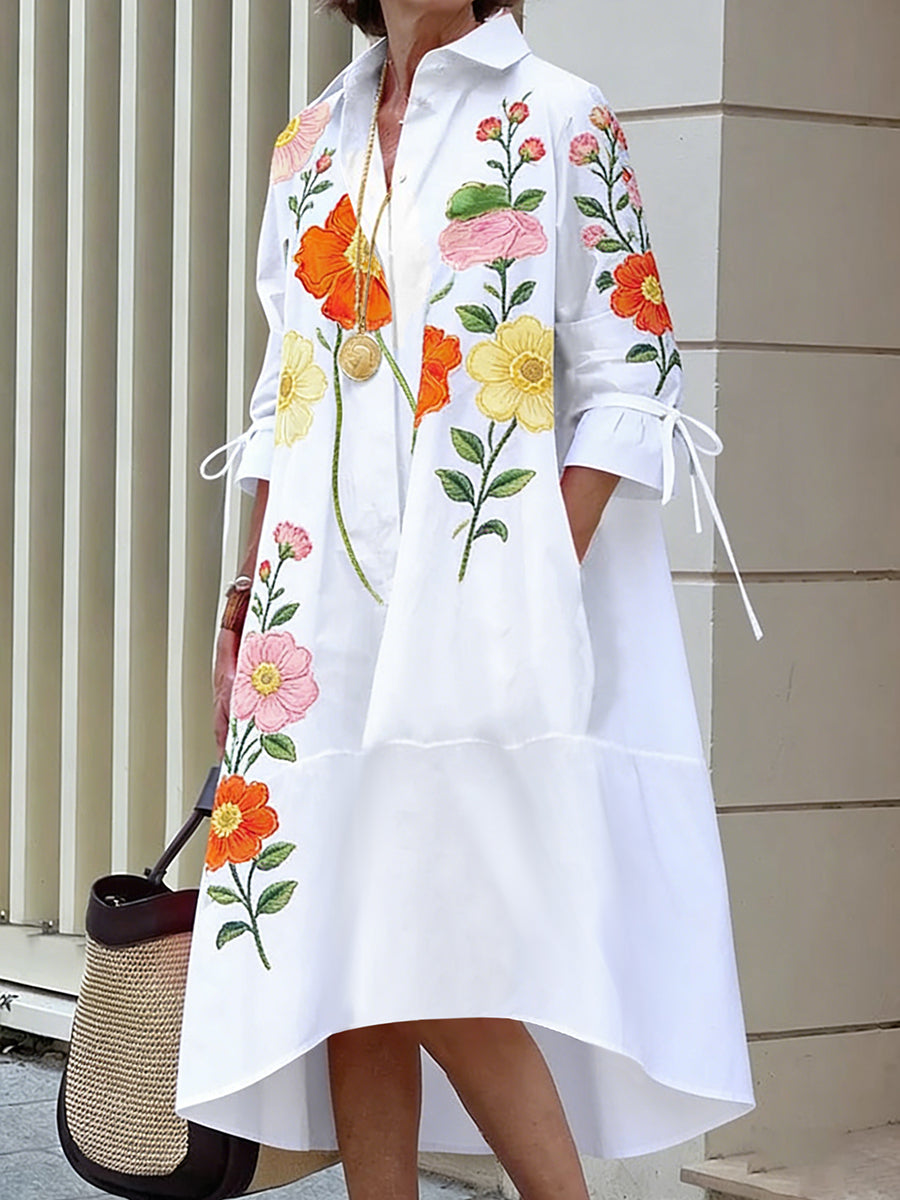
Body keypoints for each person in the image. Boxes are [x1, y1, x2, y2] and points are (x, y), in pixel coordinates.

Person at [176, 3, 760, 1198]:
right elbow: (284, 394)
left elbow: (633, 375)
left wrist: (531, 568)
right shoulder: (310, 143)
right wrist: (248, 593)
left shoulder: (560, 115)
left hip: (475, 619)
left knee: (437, 948)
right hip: (316, 624)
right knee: (342, 955)